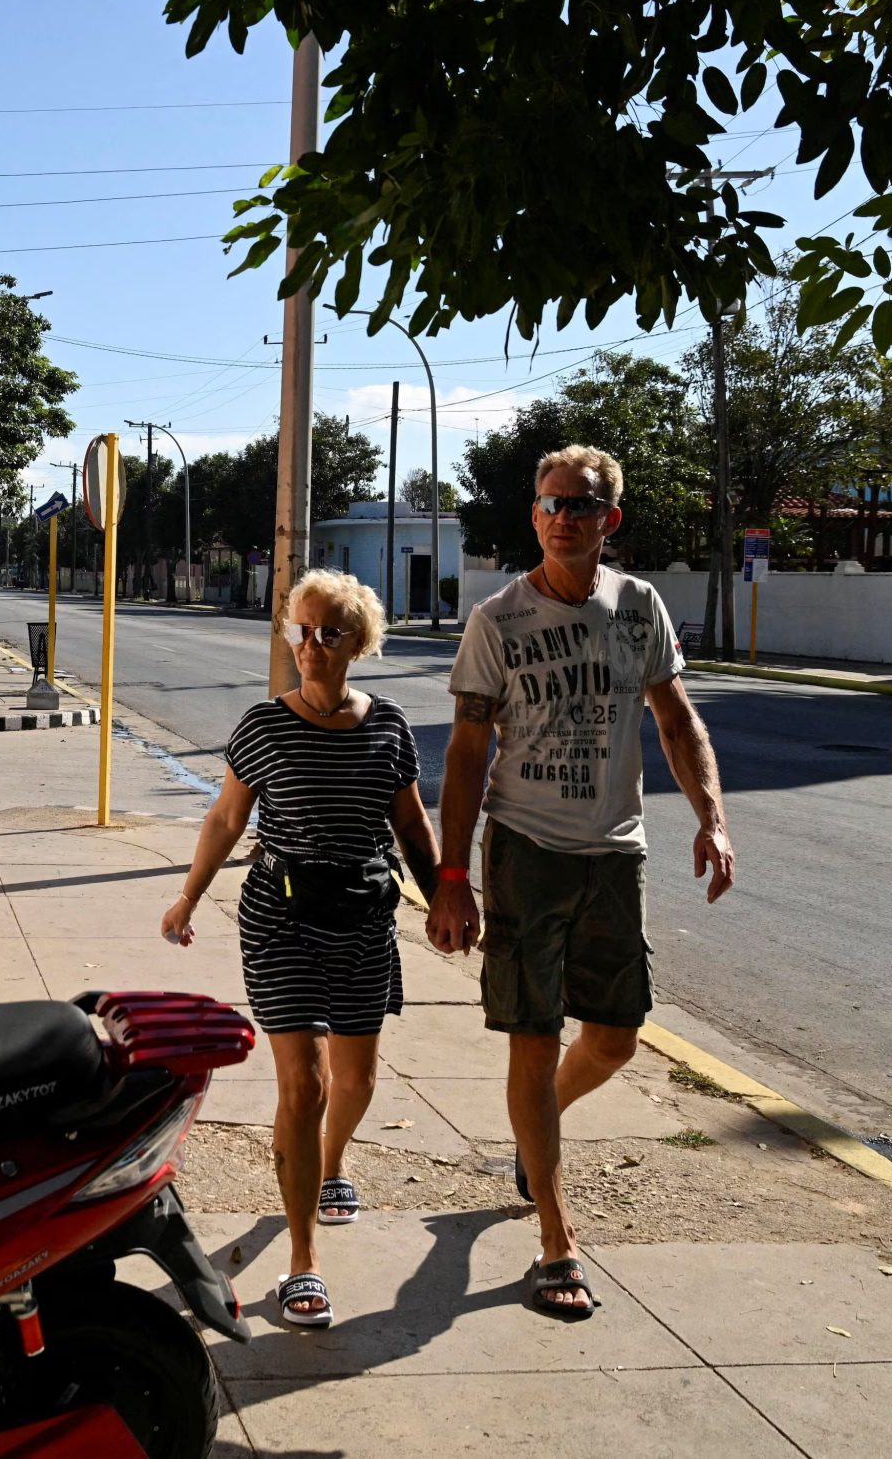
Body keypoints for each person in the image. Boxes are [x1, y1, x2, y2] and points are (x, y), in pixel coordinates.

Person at [427, 445, 736, 1320]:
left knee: (614, 1039)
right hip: (524, 849)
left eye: (585, 504)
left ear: (611, 519)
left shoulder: (638, 609)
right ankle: (557, 1240)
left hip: (614, 853)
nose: (566, 515)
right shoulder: (499, 619)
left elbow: (677, 720)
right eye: (553, 502)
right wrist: (453, 875)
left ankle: (538, 1130)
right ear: (534, 515)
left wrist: (712, 817)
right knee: (532, 1034)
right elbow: (465, 751)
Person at [159, 571, 438, 1329]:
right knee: (304, 1085)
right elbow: (224, 819)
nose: (311, 646)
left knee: (357, 1077)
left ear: (360, 643)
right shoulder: (262, 726)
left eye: (329, 633)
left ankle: (334, 1161)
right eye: (302, 631)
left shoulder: (389, 728)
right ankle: (303, 1262)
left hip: (363, 913)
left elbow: (411, 827)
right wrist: (188, 894)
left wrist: (446, 892)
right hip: (280, 915)